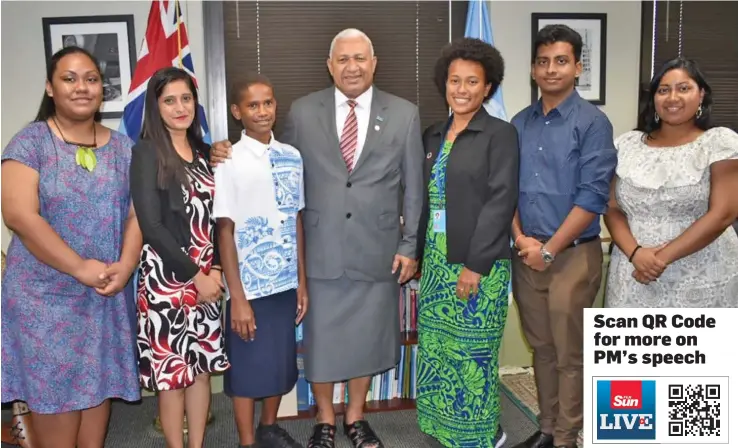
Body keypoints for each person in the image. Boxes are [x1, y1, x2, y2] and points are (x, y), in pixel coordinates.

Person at [210, 28, 424, 448]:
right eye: (342, 59)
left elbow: (414, 187)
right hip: (319, 248)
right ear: (329, 65)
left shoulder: (404, 113)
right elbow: (271, 159)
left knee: (366, 338)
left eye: (360, 58)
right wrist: (219, 150)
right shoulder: (304, 111)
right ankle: (325, 419)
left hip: (376, 249)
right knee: (323, 340)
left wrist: (409, 245)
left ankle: (356, 418)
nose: (352, 66)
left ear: (374, 62)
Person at [1, 46, 141, 448]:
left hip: (103, 295)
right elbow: (20, 216)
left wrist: (126, 264)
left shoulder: (122, 148)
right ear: (50, 87)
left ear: (102, 89)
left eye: (91, 78)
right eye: (70, 78)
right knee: (58, 429)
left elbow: (137, 215)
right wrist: (80, 267)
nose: (82, 87)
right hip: (44, 302)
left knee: (93, 423)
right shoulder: (29, 143)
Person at [510, 25, 617, 448]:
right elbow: (506, 190)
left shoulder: (592, 123)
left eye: (560, 60)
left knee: (570, 356)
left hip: (571, 256)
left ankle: (567, 438)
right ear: (533, 69)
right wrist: (522, 240)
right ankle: (548, 428)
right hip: (527, 253)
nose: (551, 69)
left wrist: (549, 250)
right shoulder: (519, 123)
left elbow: (593, 198)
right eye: (542, 61)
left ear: (577, 66)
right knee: (542, 350)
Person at [414, 38, 519, 448]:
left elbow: (500, 200)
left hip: (480, 264)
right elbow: (424, 199)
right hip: (437, 262)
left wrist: (475, 265)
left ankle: (477, 437)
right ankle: (443, 430)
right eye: (454, 80)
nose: (461, 89)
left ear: (488, 87)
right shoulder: (433, 134)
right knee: (439, 351)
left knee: (473, 355)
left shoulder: (500, 134)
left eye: (472, 81)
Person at [130, 67, 229, 448]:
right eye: (169, 100)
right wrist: (196, 276)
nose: (180, 107)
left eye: (186, 98)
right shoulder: (146, 153)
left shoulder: (206, 153)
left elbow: (221, 215)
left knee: (202, 371)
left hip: (208, 276)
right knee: (173, 376)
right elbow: (152, 226)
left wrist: (216, 268)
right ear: (156, 106)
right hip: (167, 281)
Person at [214, 74, 307, 448]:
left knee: (280, 363)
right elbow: (225, 230)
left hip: (285, 282)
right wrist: (236, 297)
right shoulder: (228, 159)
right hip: (248, 286)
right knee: (249, 368)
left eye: (268, 102)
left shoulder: (292, 156)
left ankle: (269, 426)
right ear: (237, 112)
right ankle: (247, 440)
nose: (262, 111)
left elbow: (296, 218)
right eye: (253, 105)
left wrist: (302, 280)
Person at [604, 57, 738, 307]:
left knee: (700, 347)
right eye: (663, 90)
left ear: (701, 95)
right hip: (633, 270)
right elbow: (612, 208)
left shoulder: (720, 143)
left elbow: (723, 213)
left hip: (704, 273)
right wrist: (635, 254)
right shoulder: (628, 145)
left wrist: (659, 259)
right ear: (654, 99)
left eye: (683, 88)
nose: (672, 97)